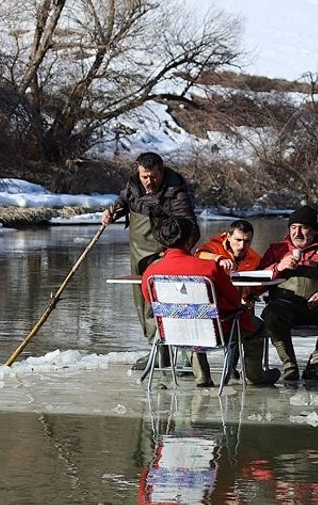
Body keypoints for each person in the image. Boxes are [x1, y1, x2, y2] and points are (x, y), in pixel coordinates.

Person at [141, 217, 281, 387]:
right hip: (215, 332)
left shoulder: (151, 272)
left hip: (172, 333)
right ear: (190, 240)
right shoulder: (208, 268)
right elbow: (234, 300)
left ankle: (202, 377)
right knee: (257, 326)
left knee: (191, 320)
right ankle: (254, 376)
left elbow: (151, 302)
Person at [102, 152, 197, 342]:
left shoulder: (176, 190)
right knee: (140, 296)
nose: (148, 181)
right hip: (138, 249)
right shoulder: (133, 184)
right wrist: (112, 212)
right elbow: (123, 201)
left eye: (153, 176)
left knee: (158, 298)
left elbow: (189, 225)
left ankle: (169, 345)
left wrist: (176, 250)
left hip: (165, 252)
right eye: (144, 176)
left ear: (161, 172)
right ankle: (153, 345)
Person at [259, 205, 318, 384]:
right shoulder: (276, 250)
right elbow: (257, 283)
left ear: (313, 229)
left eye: (303, 227)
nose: (298, 232)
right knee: (271, 313)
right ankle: (289, 366)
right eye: (293, 227)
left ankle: (313, 367)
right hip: (285, 308)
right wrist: (278, 267)